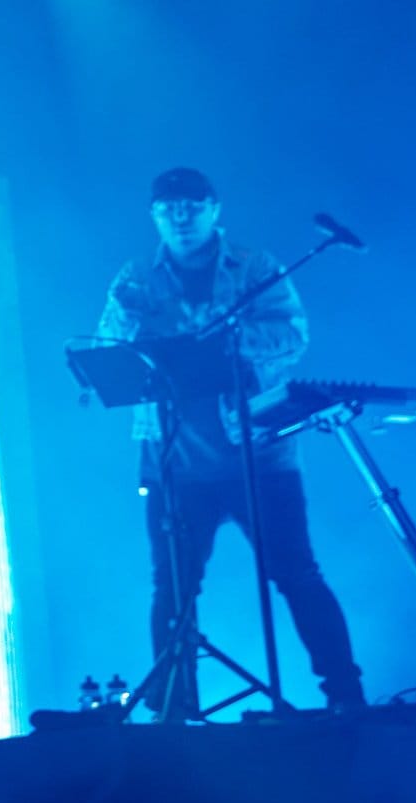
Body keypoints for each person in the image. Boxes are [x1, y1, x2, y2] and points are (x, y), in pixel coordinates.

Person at [96, 167, 364, 719]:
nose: (182, 218)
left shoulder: (256, 267)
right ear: (155, 216)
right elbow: (110, 351)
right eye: (170, 209)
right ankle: (176, 704)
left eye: (193, 207)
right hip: (173, 461)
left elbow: (293, 335)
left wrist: (226, 336)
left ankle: (346, 694)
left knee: (297, 573)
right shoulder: (136, 277)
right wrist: (137, 332)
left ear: (215, 209)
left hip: (259, 456)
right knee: (172, 587)